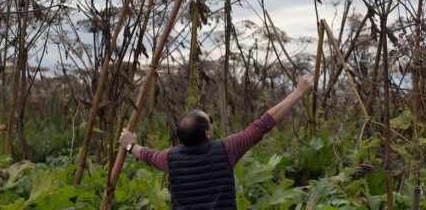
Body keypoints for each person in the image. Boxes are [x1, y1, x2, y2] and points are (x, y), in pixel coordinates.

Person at [118, 75, 312, 210]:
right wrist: (299, 92)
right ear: (207, 133)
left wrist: (129, 144)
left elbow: (146, 155)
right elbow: (263, 125)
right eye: (209, 120)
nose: (211, 121)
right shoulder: (227, 149)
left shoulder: (169, 158)